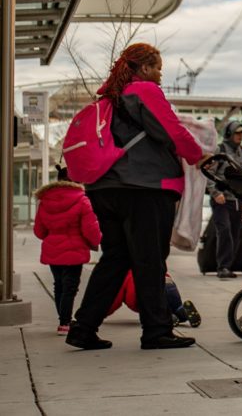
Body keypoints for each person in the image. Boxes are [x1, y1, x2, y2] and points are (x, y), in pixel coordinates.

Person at [66, 43, 204, 351]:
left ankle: (83, 327)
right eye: (156, 68)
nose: (158, 74)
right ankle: (156, 330)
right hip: (144, 187)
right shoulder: (143, 91)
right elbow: (172, 132)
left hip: (104, 188)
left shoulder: (109, 100)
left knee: (116, 258)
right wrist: (200, 156)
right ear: (142, 68)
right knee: (150, 260)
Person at [33, 178, 102, 334]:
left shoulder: (45, 201)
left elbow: (39, 231)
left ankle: (63, 320)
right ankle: (65, 323)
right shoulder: (82, 200)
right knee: (70, 288)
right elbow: (90, 228)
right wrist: (96, 241)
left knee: (59, 286)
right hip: (75, 250)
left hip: (52, 249)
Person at [206, 120, 242, 278]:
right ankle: (222, 267)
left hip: (237, 200)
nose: (241, 135)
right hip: (222, 200)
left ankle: (229, 265)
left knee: (236, 234)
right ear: (229, 134)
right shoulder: (220, 150)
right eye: (237, 132)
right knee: (224, 231)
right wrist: (215, 193)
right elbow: (209, 172)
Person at [106, 271, 201, 328]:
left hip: (147, 293)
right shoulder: (149, 258)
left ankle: (166, 316)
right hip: (168, 284)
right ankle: (183, 310)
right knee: (175, 306)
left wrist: (102, 312)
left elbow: (114, 299)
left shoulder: (122, 273)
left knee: (156, 310)